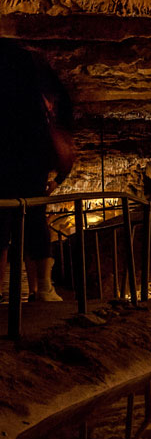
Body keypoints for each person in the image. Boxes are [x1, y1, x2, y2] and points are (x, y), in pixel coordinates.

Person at [0, 40, 75, 303]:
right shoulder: (38, 76)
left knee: (3, 224)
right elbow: (64, 114)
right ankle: (41, 288)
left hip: (7, 160)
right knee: (34, 221)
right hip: (32, 160)